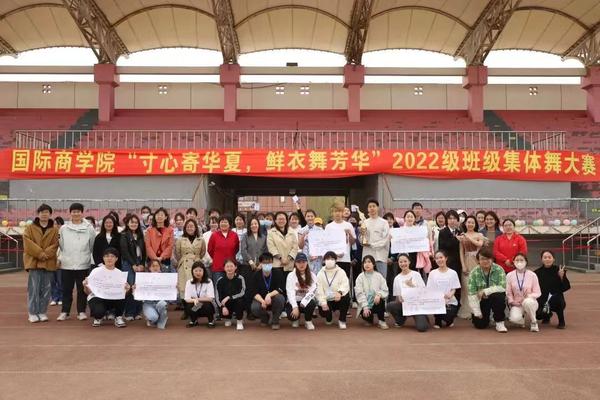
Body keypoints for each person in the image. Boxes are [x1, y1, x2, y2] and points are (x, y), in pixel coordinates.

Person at [57, 203, 97, 321]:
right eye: (73, 211)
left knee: (82, 289)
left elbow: (92, 245)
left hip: (83, 264)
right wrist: (62, 258)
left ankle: (81, 311)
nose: (76, 214)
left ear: (82, 213)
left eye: (78, 211)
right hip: (67, 264)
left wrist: (86, 257)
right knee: (66, 289)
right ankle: (65, 312)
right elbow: (61, 245)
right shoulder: (63, 228)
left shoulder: (89, 228)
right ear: (70, 213)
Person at [24, 203, 60, 323]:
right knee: (34, 288)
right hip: (34, 262)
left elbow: (55, 245)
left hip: (48, 262)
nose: (44, 214)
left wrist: (45, 254)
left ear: (50, 214)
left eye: (47, 212)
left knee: (46, 288)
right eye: (42, 212)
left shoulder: (54, 230)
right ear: (38, 214)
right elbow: (27, 243)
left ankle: (42, 311)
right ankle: (32, 312)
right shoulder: (30, 228)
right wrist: (40, 253)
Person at [83, 247, 129, 328]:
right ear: (103, 258)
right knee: (99, 312)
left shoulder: (120, 273)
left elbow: (123, 292)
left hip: (112, 297)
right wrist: (85, 285)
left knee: (123, 294)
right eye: (107, 256)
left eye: (112, 256)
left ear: (116, 259)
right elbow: (87, 292)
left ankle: (118, 316)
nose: (109, 258)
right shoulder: (95, 271)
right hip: (98, 298)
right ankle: (98, 317)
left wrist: (127, 289)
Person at [467, 248, 508, 332]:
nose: (485, 261)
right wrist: (477, 311)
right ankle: (487, 317)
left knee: (498, 296)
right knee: (480, 325)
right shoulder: (474, 272)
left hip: (495, 298)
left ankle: (499, 322)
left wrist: (485, 291)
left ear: (492, 259)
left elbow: (502, 287)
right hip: (481, 300)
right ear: (478, 260)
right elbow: (471, 293)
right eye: (482, 259)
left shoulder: (499, 269)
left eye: (488, 258)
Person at [386, 253, 428, 332]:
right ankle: (400, 320)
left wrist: (412, 286)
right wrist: (400, 298)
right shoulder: (397, 278)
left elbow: (423, 291)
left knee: (422, 328)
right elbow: (397, 296)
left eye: (405, 261)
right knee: (390, 305)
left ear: (409, 262)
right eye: (401, 262)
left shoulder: (416, 274)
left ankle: (424, 317)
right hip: (405, 305)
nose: (403, 264)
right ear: (398, 263)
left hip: (417, 305)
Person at [175, 219, 206, 318]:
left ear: (195, 227)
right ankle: (186, 311)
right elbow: (177, 253)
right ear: (185, 228)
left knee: (196, 288)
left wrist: (197, 259)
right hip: (184, 265)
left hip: (197, 265)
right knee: (184, 288)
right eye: (188, 226)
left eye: (192, 226)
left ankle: (195, 310)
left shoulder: (201, 239)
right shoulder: (180, 239)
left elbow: (202, 252)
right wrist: (184, 259)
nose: (190, 228)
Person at [119, 214, 146, 321]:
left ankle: (137, 312)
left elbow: (144, 252)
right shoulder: (124, 235)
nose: (134, 224)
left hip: (139, 262)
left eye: (136, 222)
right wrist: (133, 264)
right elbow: (125, 251)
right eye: (131, 222)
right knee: (131, 287)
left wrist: (142, 264)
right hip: (128, 263)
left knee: (139, 286)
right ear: (127, 223)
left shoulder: (140, 235)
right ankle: (129, 312)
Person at [250, 252, 286, 330]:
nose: (267, 265)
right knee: (254, 307)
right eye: (264, 263)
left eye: (269, 262)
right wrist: (262, 301)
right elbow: (254, 292)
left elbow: (281, 288)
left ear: (272, 262)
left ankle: (275, 320)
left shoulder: (278, 273)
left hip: (274, 298)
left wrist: (269, 295)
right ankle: (265, 317)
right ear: (260, 263)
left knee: (280, 298)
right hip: (261, 299)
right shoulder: (256, 275)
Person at [457, 215, 485, 318]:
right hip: (466, 261)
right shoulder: (462, 236)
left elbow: (480, 244)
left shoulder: (479, 234)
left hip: (477, 262)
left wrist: (468, 237)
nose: (470, 224)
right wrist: (463, 265)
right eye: (468, 222)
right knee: (467, 287)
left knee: (478, 286)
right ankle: (468, 311)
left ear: (475, 224)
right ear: (465, 223)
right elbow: (461, 251)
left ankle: (477, 309)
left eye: (472, 222)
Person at [535, 250, 570, 329]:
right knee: (538, 315)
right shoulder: (537, 273)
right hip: (543, 299)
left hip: (556, 299)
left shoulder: (559, 270)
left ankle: (561, 320)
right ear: (541, 259)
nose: (547, 259)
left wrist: (562, 277)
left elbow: (566, 287)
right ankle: (547, 315)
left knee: (557, 299)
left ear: (553, 259)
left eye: (549, 257)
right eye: (545, 257)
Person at [506, 253, 541, 332]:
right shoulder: (509, 275)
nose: (519, 262)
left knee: (528, 302)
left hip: (530, 302)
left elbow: (538, 292)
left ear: (526, 262)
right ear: (513, 262)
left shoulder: (532, 275)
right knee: (513, 319)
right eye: (517, 260)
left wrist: (529, 296)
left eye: (521, 260)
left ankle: (534, 321)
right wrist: (512, 301)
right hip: (517, 303)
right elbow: (508, 292)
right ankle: (521, 319)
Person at [316, 251, 351, 329]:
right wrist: (323, 302)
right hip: (327, 300)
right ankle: (329, 317)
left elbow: (345, 284)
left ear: (336, 260)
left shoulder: (341, 271)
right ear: (324, 260)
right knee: (323, 312)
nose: (330, 261)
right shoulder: (320, 274)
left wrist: (340, 292)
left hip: (338, 298)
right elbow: (319, 290)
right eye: (327, 259)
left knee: (346, 297)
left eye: (332, 259)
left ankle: (342, 320)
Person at [427, 250, 461, 328]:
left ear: (446, 258)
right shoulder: (432, 273)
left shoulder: (453, 273)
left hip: (449, 301)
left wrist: (449, 295)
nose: (439, 260)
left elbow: (454, 288)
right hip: (437, 301)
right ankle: (437, 321)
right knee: (438, 308)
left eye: (441, 257)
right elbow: (430, 289)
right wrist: (438, 298)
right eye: (437, 258)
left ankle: (449, 320)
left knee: (448, 315)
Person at [354, 255, 389, 329]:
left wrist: (379, 295)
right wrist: (365, 306)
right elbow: (359, 293)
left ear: (373, 264)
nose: (367, 264)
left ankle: (381, 320)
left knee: (380, 300)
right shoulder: (360, 277)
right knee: (367, 317)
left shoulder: (379, 276)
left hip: (376, 302)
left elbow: (385, 289)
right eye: (365, 262)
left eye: (369, 262)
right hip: (365, 305)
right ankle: (369, 319)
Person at [325, 201, 356, 283]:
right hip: (332, 260)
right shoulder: (328, 227)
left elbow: (353, 242)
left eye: (339, 211)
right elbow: (326, 244)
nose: (337, 213)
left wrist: (349, 234)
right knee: (332, 283)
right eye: (335, 211)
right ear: (332, 213)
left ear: (342, 212)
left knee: (344, 283)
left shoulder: (348, 225)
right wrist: (334, 254)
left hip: (345, 259)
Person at [285, 253, 318, 330]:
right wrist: (295, 307)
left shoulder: (312, 275)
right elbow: (290, 292)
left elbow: (313, 291)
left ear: (307, 263)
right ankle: (296, 319)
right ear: (295, 263)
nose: (301, 264)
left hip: (306, 302)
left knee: (312, 303)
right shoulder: (290, 275)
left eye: (303, 262)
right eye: (299, 262)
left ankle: (308, 321)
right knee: (291, 316)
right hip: (295, 301)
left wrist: (304, 302)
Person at [360, 199, 390, 282]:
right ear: (367, 209)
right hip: (367, 256)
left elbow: (385, 240)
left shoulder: (384, 222)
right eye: (370, 207)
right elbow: (362, 239)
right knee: (366, 281)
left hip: (380, 256)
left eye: (374, 206)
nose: (372, 208)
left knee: (382, 281)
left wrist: (372, 245)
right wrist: (362, 239)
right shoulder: (364, 222)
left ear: (378, 208)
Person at [207, 215, 240, 285]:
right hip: (218, 267)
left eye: (225, 222)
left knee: (231, 287)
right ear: (219, 223)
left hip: (231, 267)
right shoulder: (214, 235)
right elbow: (210, 250)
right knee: (218, 287)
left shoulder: (234, 235)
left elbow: (236, 249)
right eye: (222, 222)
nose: (223, 224)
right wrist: (217, 257)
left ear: (229, 224)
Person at [216, 259, 246, 330]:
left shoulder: (240, 278)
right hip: (225, 303)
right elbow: (217, 296)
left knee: (240, 301)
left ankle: (239, 321)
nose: (229, 268)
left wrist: (230, 297)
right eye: (227, 266)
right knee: (223, 301)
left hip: (236, 301)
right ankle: (227, 318)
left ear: (235, 267)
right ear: (224, 268)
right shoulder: (220, 280)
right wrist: (222, 306)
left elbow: (242, 292)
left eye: (231, 266)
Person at [139, 259, 169, 329]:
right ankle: (153, 318)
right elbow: (137, 295)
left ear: (160, 267)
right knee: (153, 317)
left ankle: (161, 319)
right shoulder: (143, 278)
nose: (155, 268)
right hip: (148, 303)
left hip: (160, 302)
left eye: (157, 266)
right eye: (153, 266)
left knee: (162, 304)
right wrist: (135, 289)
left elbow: (171, 294)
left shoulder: (165, 278)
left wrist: (174, 287)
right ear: (149, 268)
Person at [184, 261, 216, 328]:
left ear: (204, 271)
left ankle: (211, 321)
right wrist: (195, 300)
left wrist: (196, 299)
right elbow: (187, 299)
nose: (198, 273)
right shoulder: (189, 282)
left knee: (207, 304)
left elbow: (210, 298)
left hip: (205, 305)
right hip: (197, 305)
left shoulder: (209, 281)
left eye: (200, 270)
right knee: (189, 306)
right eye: (196, 271)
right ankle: (193, 320)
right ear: (192, 271)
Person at [402, 210, 432, 276]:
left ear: (414, 219)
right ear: (404, 218)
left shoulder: (419, 230)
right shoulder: (400, 230)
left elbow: (424, 242)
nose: (409, 218)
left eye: (411, 217)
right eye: (408, 217)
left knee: (416, 274)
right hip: (404, 255)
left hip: (416, 255)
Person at [438, 210, 462, 289]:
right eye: (450, 218)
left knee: (457, 285)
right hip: (447, 262)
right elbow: (443, 246)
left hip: (458, 263)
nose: (452, 220)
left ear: (457, 220)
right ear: (446, 220)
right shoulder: (442, 232)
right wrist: (456, 239)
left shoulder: (460, 232)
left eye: (454, 218)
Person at [145, 207, 174, 272]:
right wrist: (155, 258)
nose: (159, 216)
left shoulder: (170, 230)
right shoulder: (149, 230)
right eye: (157, 215)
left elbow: (170, 246)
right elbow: (148, 246)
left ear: (165, 217)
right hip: (151, 260)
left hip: (165, 260)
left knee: (165, 277)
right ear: (155, 217)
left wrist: (161, 257)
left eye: (161, 215)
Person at [297, 209, 323, 275]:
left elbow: (322, 244)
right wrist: (303, 236)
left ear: (315, 217)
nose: (310, 218)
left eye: (312, 216)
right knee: (307, 276)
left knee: (317, 276)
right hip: (306, 256)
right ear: (305, 218)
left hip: (317, 257)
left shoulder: (320, 230)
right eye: (308, 216)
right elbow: (300, 246)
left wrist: (317, 254)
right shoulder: (301, 230)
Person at [50, 216, 64, 306]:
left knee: (60, 281)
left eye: (58, 224)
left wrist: (59, 259)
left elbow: (64, 249)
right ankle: (54, 298)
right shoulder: (51, 235)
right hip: (51, 262)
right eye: (55, 224)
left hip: (60, 262)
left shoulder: (64, 235)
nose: (56, 226)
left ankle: (61, 298)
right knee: (52, 281)